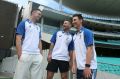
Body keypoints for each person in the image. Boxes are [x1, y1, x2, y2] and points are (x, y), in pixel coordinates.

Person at [14, 9, 43, 79]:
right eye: (39, 14)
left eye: (40, 15)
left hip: (37, 55)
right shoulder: (24, 23)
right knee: (20, 76)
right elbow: (18, 39)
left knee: (37, 77)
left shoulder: (38, 27)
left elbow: (39, 41)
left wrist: (41, 55)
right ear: (33, 13)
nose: (40, 16)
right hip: (25, 53)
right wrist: (19, 54)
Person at [72, 14, 97, 79]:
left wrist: (87, 66)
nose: (73, 22)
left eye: (75, 20)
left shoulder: (87, 32)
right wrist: (74, 64)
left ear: (81, 20)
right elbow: (75, 51)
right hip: (79, 68)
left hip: (89, 68)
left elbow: (90, 49)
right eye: (72, 20)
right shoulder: (74, 36)